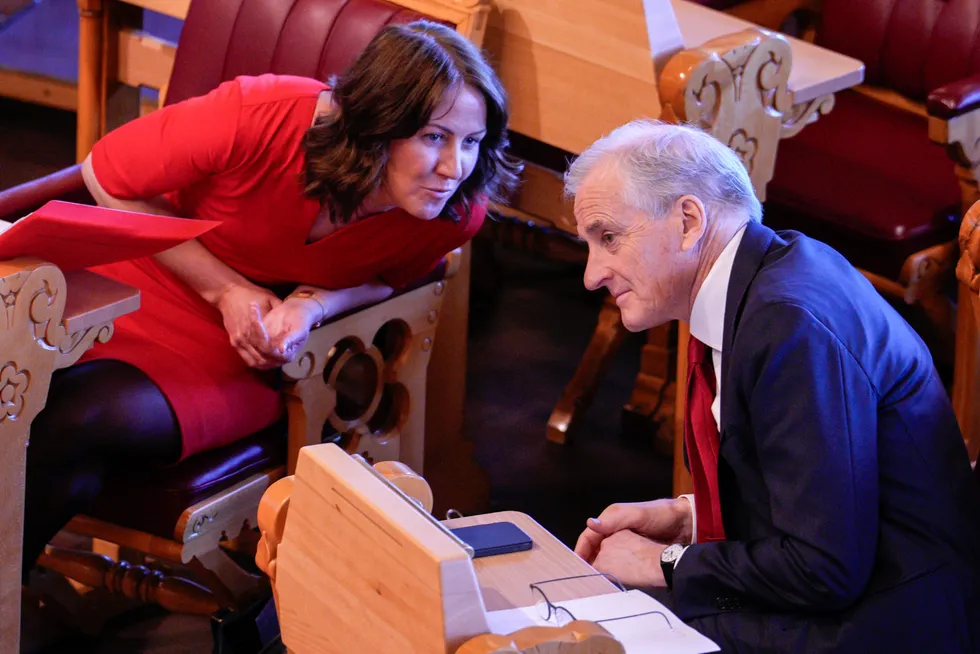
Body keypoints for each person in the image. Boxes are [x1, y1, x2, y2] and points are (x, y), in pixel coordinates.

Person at [21, 20, 520, 573]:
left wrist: (313, 304)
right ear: (378, 122)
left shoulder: (454, 211)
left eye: (471, 142)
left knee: (78, 417)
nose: (454, 168)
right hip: (140, 285)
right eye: (433, 136)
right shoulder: (259, 114)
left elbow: (393, 281)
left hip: (246, 352)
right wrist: (226, 289)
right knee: (32, 415)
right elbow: (106, 174)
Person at [566, 119, 980, 653]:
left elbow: (825, 569)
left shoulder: (790, 324)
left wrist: (666, 562)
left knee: (611, 631)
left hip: (889, 620)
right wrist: (689, 519)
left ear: (689, 221)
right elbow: (819, 497)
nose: (591, 274)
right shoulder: (766, 277)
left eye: (609, 238)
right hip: (858, 589)